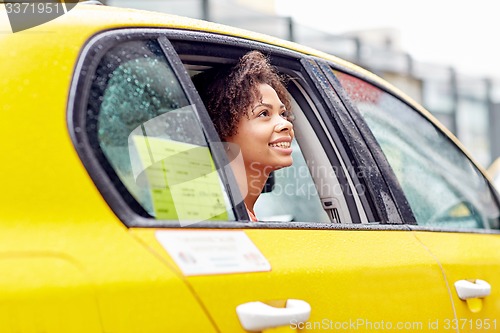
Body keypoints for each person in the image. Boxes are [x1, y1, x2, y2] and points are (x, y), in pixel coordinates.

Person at [193, 50, 294, 221]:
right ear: (220, 129)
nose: (287, 124)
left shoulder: (232, 216)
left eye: (282, 113)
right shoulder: (221, 221)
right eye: (264, 113)